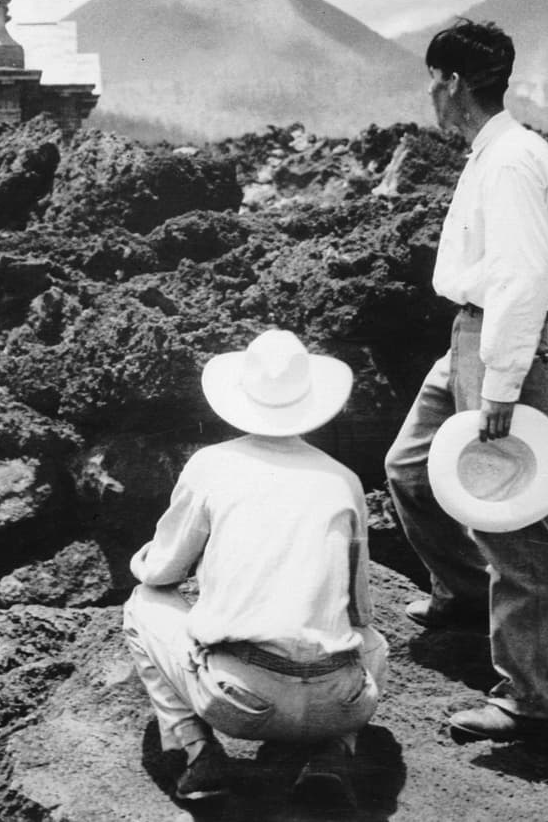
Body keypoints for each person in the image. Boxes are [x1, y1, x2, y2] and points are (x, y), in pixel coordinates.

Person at [384, 18, 548, 741]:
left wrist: (499, 383)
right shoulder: (493, 152)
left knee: (515, 519)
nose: (430, 92)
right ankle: (464, 590)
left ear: (455, 81)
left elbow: (525, 277)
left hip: (499, 346)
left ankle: (535, 693)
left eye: (434, 78)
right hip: (470, 334)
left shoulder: (513, 159)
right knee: (408, 465)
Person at [123, 329, 389, 805]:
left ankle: (197, 750)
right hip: (340, 703)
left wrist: (148, 562)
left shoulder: (210, 464)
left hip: (239, 702)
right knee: (374, 642)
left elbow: (162, 573)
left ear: (240, 398)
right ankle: (332, 754)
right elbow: (361, 611)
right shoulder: (344, 480)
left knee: (143, 604)